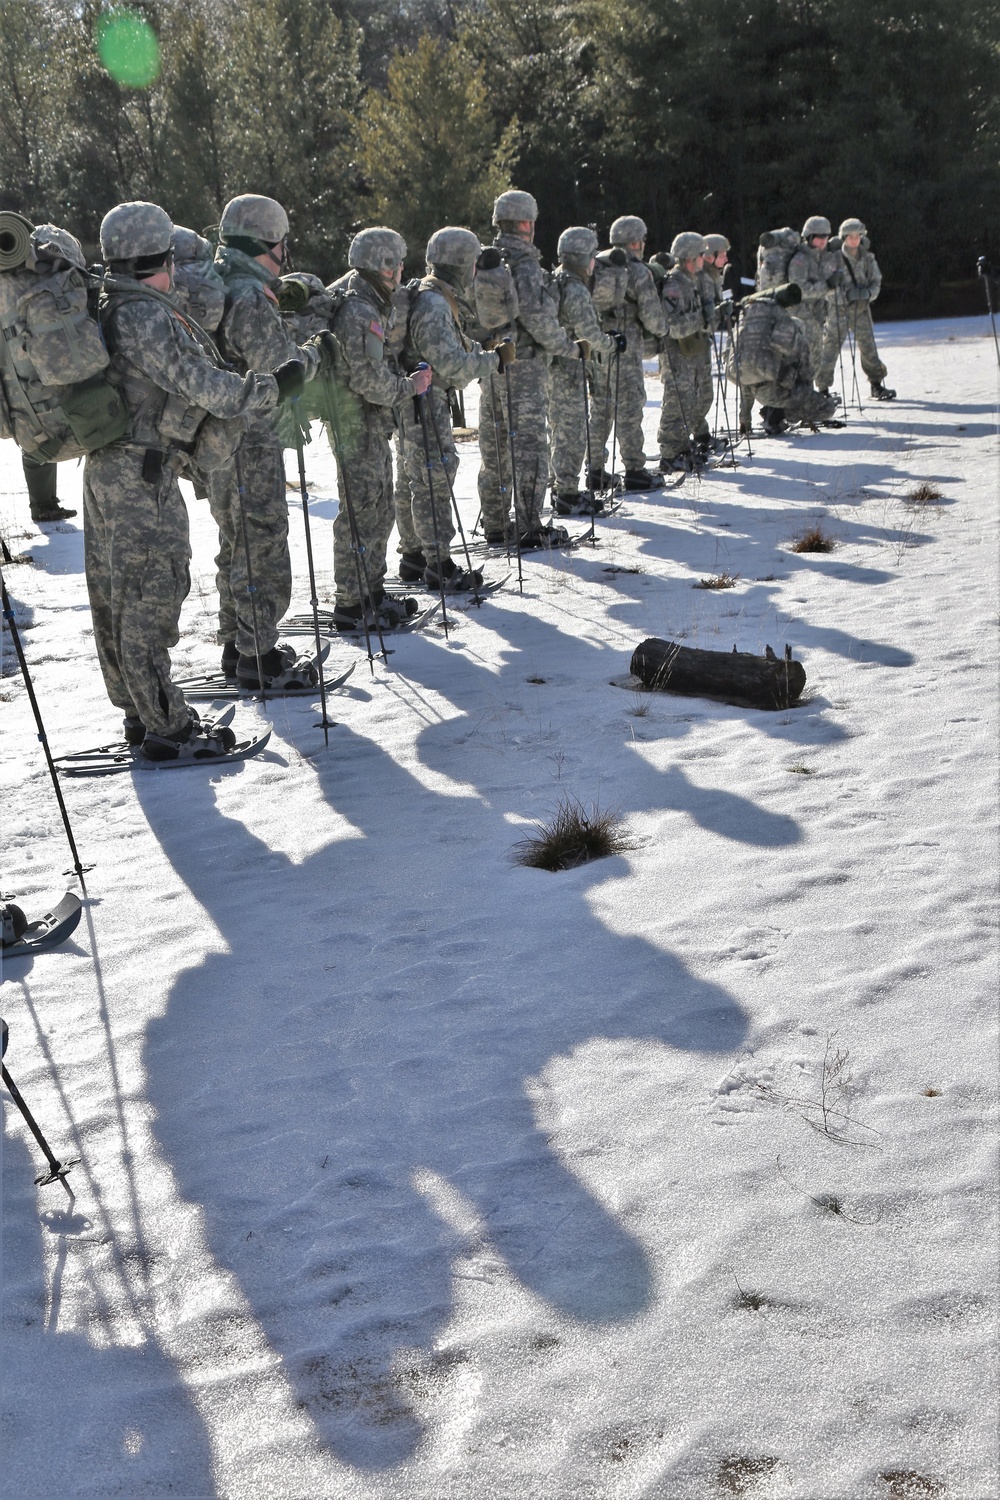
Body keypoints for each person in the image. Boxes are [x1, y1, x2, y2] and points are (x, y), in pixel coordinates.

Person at [86, 200, 296, 760]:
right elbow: (205, 384)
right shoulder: (144, 314)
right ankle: (168, 727)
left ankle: (141, 713)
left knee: (117, 598)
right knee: (151, 596)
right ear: (162, 255)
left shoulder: (112, 302)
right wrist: (272, 387)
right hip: (143, 476)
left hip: (113, 470)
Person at [209, 194, 325, 690]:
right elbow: (286, 370)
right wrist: (317, 349)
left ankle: (236, 643)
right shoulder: (249, 297)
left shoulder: (216, 283)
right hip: (250, 438)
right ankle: (259, 656)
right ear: (269, 243)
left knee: (235, 542)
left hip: (216, 439)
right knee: (262, 540)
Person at [322, 226, 432, 631]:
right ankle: (351, 603)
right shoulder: (361, 310)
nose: (403, 270)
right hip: (356, 424)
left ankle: (372, 590)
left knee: (379, 505)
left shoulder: (370, 301)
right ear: (384, 266)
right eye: (398, 263)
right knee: (361, 510)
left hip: (367, 422)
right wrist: (411, 386)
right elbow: (368, 381)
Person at [478, 189, 581, 547]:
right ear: (526, 222)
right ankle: (528, 526)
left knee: (494, 448)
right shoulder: (524, 264)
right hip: (523, 365)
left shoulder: (485, 260)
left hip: (490, 361)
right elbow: (537, 318)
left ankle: (494, 523)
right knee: (530, 447)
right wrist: (567, 346)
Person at [398, 226, 498, 588]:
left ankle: (414, 556)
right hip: (426, 403)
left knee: (415, 478)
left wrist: (483, 349)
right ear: (460, 264)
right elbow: (451, 363)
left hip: (417, 401)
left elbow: (453, 345)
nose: (475, 270)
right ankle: (438, 564)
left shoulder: (435, 295)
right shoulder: (434, 303)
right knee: (434, 478)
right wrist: (492, 362)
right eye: (472, 263)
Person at [589, 215, 665, 489]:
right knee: (629, 407)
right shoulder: (638, 271)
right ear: (635, 241)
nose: (644, 244)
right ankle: (634, 469)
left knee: (601, 409)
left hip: (599, 346)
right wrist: (662, 330)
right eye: (642, 239)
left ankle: (595, 470)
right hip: (627, 347)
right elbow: (653, 316)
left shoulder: (597, 266)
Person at [547, 226, 618, 514]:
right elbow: (589, 332)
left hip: (555, 366)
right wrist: (612, 344)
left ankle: (560, 485)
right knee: (572, 430)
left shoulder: (556, 281)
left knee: (559, 428)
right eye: (592, 256)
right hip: (568, 367)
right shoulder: (575, 289)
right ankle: (567, 494)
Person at [726, 282, 838, 434]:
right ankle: (776, 415)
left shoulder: (759, 349)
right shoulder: (798, 343)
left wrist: (745, 419)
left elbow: (746, 384)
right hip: (777, 394)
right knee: (827, 408)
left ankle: (772, 411)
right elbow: (807, 376)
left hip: (758, 392)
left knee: (765, 379)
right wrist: (810, 398)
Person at [815, 218, 895, 401]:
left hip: (861, 310)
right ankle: (822, 389)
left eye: (858, 236)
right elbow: (825, 287)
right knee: (829, 350)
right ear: (843, 237)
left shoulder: (867, 258)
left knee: (869, 348)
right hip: (838, 311)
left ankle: (876, 384)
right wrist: (845, 296)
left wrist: (868, 294)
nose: (854, 240)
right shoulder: (833, 260)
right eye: (850, 236)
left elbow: (876, 280)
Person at [658, 232, 717, 471]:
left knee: (689, 402)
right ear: (691, 257)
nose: (704, 258)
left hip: (691, 354)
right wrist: (702, 317)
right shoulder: (674, 285)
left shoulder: (691, 282)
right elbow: (673, 326)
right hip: (677, 356)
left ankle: (682, 447)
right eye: (701, 254)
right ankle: (670, 453)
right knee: (676, 404)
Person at [788, 216, 841, 369]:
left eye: (826, 236)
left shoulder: (824, 258)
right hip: (801, 314)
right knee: (804, 356)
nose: (823, 240)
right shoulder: (800, 260)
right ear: (810, 237)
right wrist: (826, 286)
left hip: (817, 315)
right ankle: (803, 390)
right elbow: (799, 289)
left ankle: (811, 389)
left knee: (816, 357)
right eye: (819, 237)